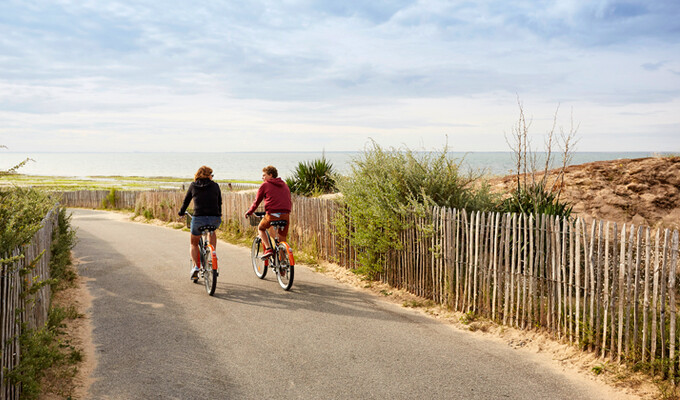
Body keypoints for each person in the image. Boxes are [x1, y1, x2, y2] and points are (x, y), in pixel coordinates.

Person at [178, 166, 222, 280]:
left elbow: (186, 201)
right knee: (212, 232)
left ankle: (195, 267)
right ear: (208, 175)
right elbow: (219, 202)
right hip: (215, 219)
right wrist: (218, 214)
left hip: (199, 219)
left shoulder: (193, 185)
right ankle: (213, 256)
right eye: (211, 174)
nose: (212, 177)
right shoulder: (215, 185)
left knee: (194, 243)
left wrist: (181, 212)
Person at [244, 165, 292, 258]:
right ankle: (282, 266)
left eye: (264, 175)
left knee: (261, 228)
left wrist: (249, 212)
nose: (262, 178)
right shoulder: (284, 184)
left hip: (272, 215)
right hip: (285, 215)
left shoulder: (265, 185)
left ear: (270, 175)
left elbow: (256, 201)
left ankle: (268, 248)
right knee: (282, 238)